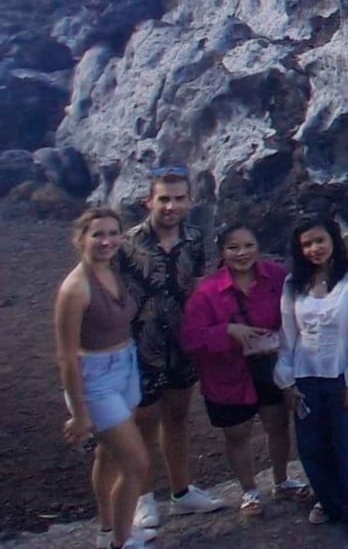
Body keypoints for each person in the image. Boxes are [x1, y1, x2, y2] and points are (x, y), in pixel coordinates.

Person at [118, 165, 223, 530]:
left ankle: (181, 491)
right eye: (164, 198)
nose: (171, 206)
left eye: (179, 198)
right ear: (149, 200)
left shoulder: (194, 239)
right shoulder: (127, 243)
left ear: (190, 201)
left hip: (181, 342)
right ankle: (143, 497)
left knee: (177, 417)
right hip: (140, 343)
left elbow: (198, 289)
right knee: (142, 422)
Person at [180, 224, 309, 518]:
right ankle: (249, 491)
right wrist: (228, 331)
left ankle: (282, 480)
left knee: (277, 423)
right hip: (227, 373)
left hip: (271, 365)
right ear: (222, 252)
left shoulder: (277, 277)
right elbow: (190, 337)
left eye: (248, 245)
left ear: (258, 247)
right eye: (233, 247)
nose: (242, 253)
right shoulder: (207, 292)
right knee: (237, 433)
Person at [274, 216, 348, 540]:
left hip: (341, 377)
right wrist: (287, 381)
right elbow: (288, 336)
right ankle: (332, 504)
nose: (314, 249)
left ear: (333, 240)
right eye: (306, 244)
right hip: (305, 377)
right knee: (312, 448)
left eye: (319, 240)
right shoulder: (294, 284)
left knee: (347, 448)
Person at [55, 208, 153, 549]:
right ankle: (122, 542)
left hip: (126, 367)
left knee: (109, 455)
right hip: (95, 380)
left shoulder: (113, 270)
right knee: (136, 464)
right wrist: (80, 413)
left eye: (113, 233)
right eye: (97, 234)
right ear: (80, 239)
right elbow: (67, 356)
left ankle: (109, 529)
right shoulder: (75, 289)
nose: (106, 241)